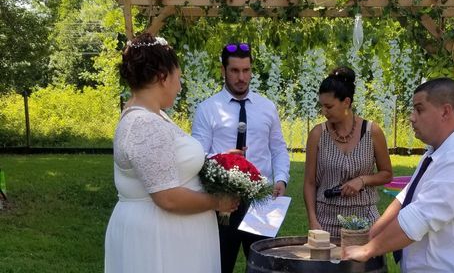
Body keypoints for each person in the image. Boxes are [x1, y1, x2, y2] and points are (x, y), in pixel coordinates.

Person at [105, 33, 239, 273]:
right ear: (162, 77)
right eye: (178, 78)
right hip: (160, 239)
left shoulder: (153, 115)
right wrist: (218, 202)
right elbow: (167, 197)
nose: (179, 86)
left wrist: (215, 162)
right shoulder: (144, 124)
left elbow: (168, 163)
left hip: (174, 235)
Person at [343, 77, 454, 273]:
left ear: (445, 111)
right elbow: (405, 199)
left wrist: (368, 250)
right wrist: (371, 234)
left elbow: (419, 218)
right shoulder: (436, 151)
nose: (412, 117)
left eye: (419, 109)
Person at [192, 42, 290, 273]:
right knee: (219, 264)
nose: (241, 77)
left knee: (264, 267)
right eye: (235, 71)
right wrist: (222, 159)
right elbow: (196, 156)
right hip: (223, 202)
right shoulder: (208, 109)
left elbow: (278, 148)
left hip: (261, 201)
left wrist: (281, 179)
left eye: (246, 70)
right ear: (223, 71)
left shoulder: (267, 107)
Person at [303, 66, 393, 237]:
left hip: (365, 222)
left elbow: (387, 174)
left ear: (346, 102)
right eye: (321, 106)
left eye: (329, 106)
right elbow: (309, 183)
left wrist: (363, 180)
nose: (324, 112)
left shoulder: (372, 131)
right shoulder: (317, 134)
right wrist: (313, 220)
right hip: (326, 222)